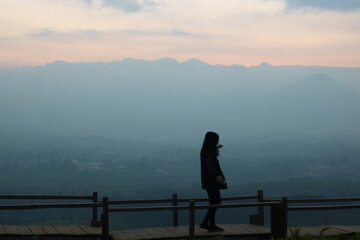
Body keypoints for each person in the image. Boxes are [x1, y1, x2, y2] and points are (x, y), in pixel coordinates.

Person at [199, 131, 227, 232]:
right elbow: (211, 167)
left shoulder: (206, 151)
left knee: (213, 203)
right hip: (211, 182)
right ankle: (205, 223)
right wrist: (217, 176)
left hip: (208, 181)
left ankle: (212, 225)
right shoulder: (208, 153)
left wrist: (216, 148)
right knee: (216, 202)